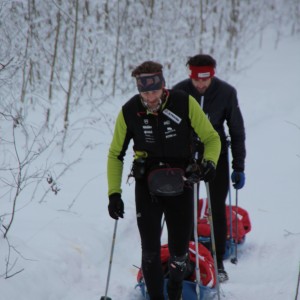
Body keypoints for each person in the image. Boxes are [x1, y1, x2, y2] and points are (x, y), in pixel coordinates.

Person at [107, 60, 221, 300]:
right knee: (149, 252)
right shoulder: (129, 111)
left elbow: (212, 138)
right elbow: (115, 154)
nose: (150, 97)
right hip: (148, 187)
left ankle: (176, 291)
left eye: (154, 90)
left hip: (182, 184)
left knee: (179, 252)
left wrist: (209, 163)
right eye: (144, 92)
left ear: (163, 85)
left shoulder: (183, 103)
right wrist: (114, 193)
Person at [173, 54, 246, 282]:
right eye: (197, 80)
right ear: (190, 75)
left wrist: (239, 165)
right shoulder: (179, 92)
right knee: (184, 208)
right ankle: (183, 259)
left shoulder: (226, 93)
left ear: (212, 75)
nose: (202, 84)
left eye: (206, 79)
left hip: (217, 155)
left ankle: (218, 261)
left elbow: (236, 131)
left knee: (216, 207)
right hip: (186, 156)